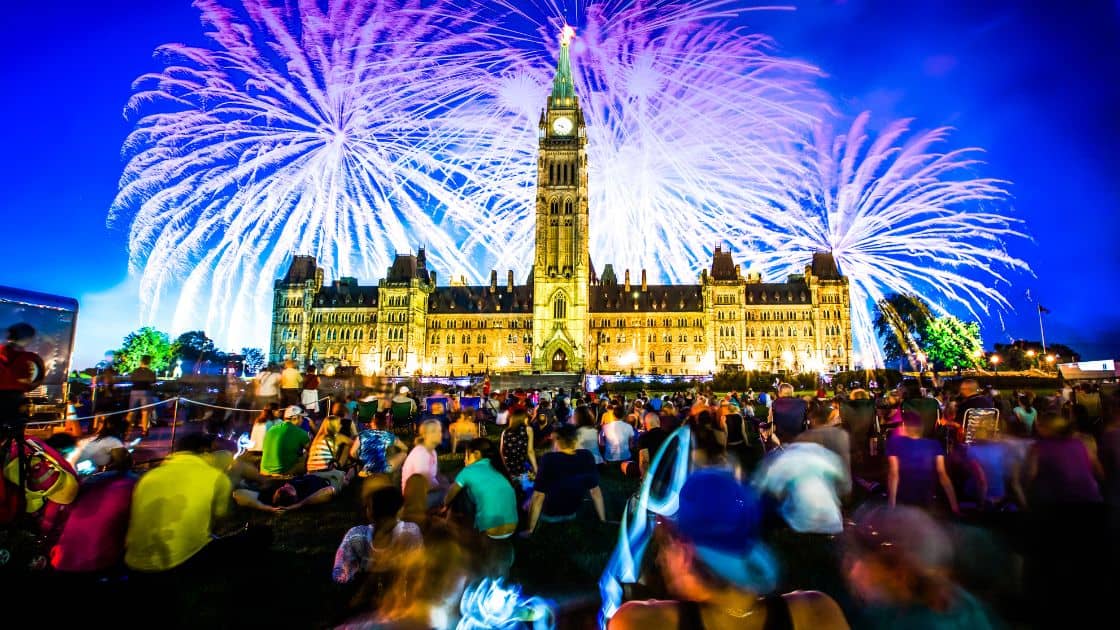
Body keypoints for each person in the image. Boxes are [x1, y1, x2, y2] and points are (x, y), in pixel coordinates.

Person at [610, 469, 849, 630]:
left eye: (667, 543)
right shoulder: (816, 614)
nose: (661, 558)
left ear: (686, 554)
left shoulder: (640, 622)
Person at [844, 505, 995, 629]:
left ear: (901, 574)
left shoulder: (914, 623)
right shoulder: (961, 602)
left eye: (864, 558)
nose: (855, 570)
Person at [124, 433, 233, 571]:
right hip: (179, 560)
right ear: (206, 451)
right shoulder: (217, 477)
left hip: (134, 560)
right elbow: (221, 517)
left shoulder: (149, 476)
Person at [50, 448, 136, 572]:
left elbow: (67, 512)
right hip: (97, 562)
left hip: (62, 558)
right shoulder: (133, 482)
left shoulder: (89, 481)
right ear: (131, 463)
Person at [332, 484, 423, 584]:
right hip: (399, 594)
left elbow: (339, 574)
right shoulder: (410, 532)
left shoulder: (356, 536)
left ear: (369, 512)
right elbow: (418, 569)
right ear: (400, 511)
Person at [527, 425, 605, 533]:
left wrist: (530, 530)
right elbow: (595, 492)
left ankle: (534, 525)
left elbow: (538, 497)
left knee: (528, 497)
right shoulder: (587, 456)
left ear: (557, 440)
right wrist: (603, 520)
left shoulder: (549, 459)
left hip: (549, 515)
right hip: (572, 512)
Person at [443, 437, 518, 539]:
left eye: (467, 456)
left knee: (460, 493)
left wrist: (444, 506)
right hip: (512, 528)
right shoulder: (498, 469)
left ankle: (452, 530)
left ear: (477, 454)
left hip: (489, 531)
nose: (465, 460)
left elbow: (449, 496)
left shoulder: (468, 470)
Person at [887, 411, 959, 514]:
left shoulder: (895, 442)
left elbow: (894, 474)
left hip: (903, 499)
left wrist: (891, 506)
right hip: (927, 498)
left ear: (904, 426)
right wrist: (954, 506)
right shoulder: (934, 444)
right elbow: (943, 475)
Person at [795, 406, 851, 493]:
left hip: (820, 492)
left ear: (814, 420)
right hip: (844, 488)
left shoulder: (805, 437)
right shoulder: (842, 434)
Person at [233, 471, 346, 513]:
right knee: (344, 475)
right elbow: (329, 491)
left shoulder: (267, 497)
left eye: (281, 489)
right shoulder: (306, 497)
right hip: (330, 481)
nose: (285, 485)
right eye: (286, 489)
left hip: (313, 475)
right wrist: (298, 506)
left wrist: (265, 508)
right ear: (294, 498)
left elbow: (237, 493)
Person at [0, 322, 45, 424]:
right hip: (16, 399)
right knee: (16, 426)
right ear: (26, 339)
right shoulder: (31, 358)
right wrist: (24, 385)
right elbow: (38, 379)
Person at [400, 419, 448, 506]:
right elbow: (423, 484)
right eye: (434, 431)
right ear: (424, 435)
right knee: (452, 494)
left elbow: (435, 475)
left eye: (440, 430)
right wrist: (445, 487)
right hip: (415, 498)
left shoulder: (433, 451)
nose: (439, 434)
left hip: (426, 493)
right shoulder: (420, 453)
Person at [260, 405, 312, 475]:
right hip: (283, 473)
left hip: (264, 472)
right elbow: (312, 451)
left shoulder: (271, 429)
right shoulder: (301, 433)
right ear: (295, 418)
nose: (302, 420)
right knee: (306, 457)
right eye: (301, 418)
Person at [500, 409, 538, 486]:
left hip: (508, 468)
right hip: (521, 466)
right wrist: (536, 468)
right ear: (524, 419)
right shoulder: (528, 429)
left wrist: (506, 467)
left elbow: (501, 451)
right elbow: (530, 451)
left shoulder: (505, 431)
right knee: (530, 485)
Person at [628, 412, 669, 479]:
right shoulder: (668, 434)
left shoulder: (644, 437)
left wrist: (644, 479)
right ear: (658, 422)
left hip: (652, 472)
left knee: (624, 464)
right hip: (666, 471)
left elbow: (644, 462)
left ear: (646, 424)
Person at [127, 354, 158, 437]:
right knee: (145, 412)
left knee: (131, 412)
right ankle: (144, 430)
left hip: (134, 391)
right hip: (146, 392)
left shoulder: (135, 371)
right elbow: (153, 382)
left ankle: (127, 431)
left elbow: (132, 379)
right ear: (149, 362)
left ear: (141, 361)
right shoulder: (150, 372)